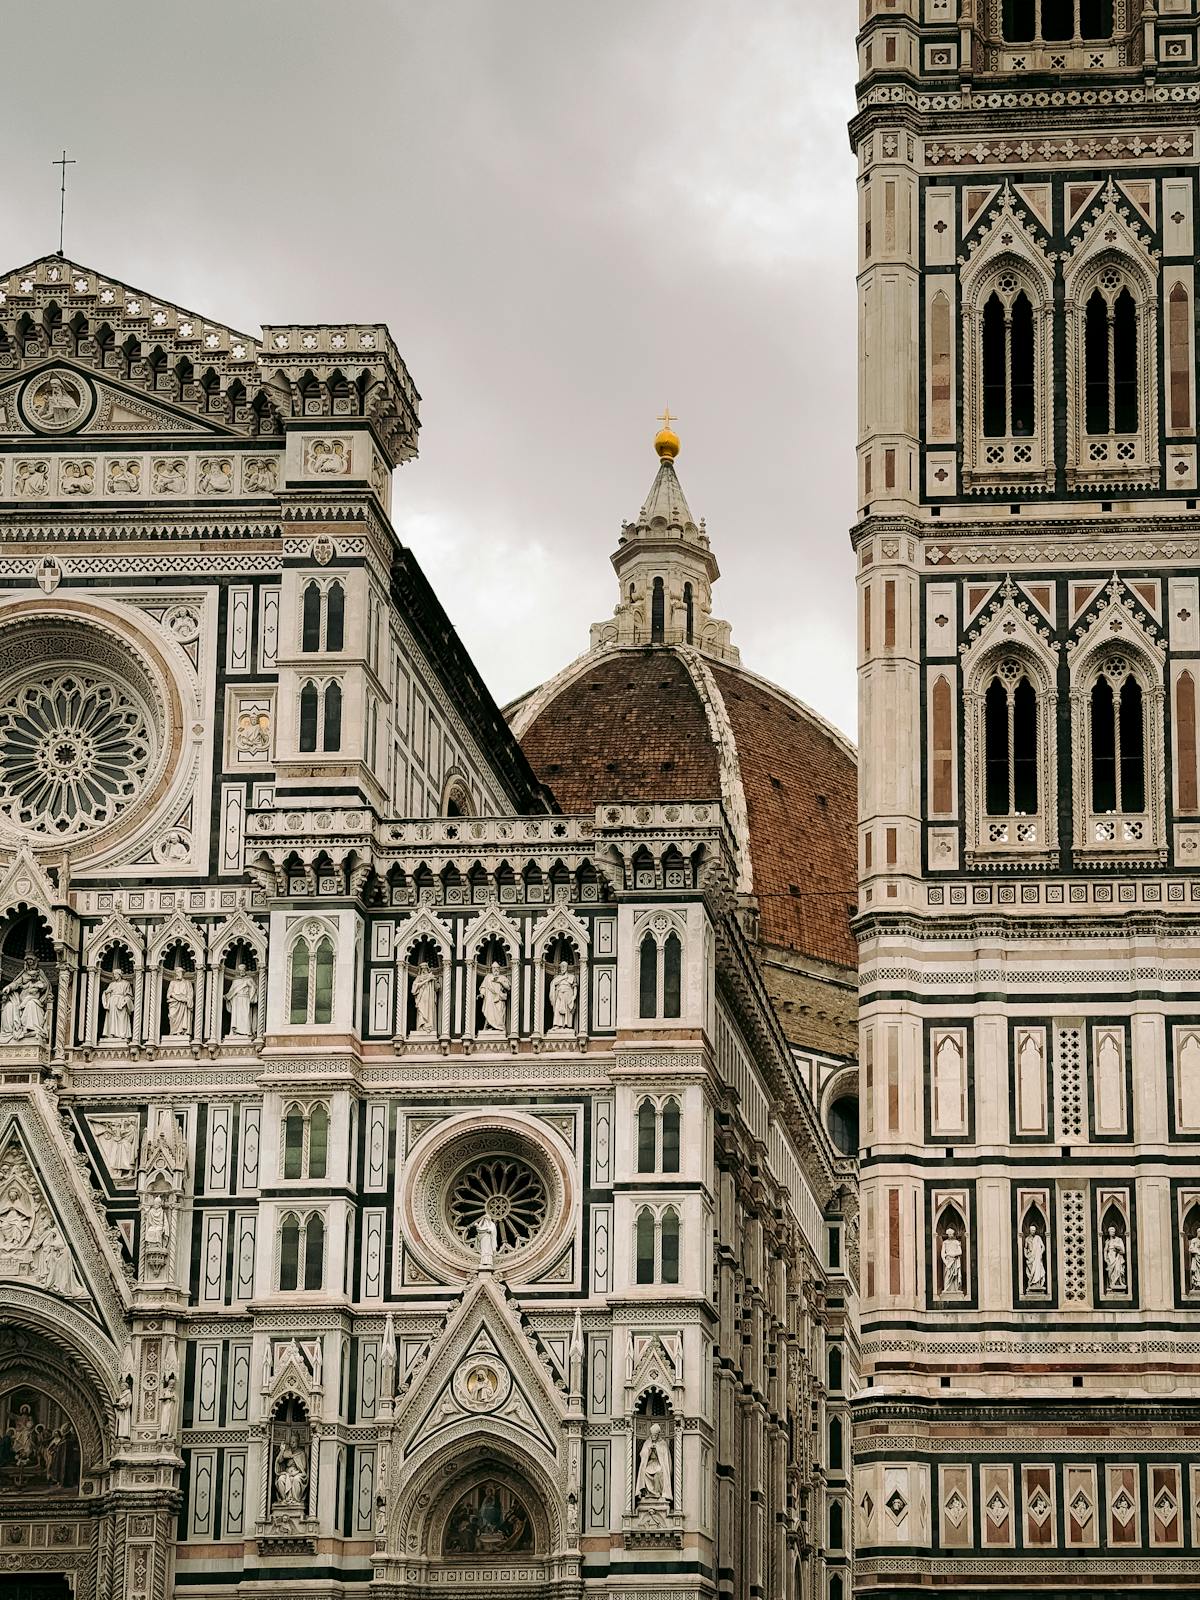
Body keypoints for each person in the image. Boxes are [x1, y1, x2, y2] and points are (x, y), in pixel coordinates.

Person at [635, 1423, 673, 1503]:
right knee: (644, 1472)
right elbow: (642, 1454)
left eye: (655, 1435)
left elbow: (665, 1456)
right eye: (652, 1435)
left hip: (659, 1463)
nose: (653, 1437)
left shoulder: (663, 1443)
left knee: (659, 1472)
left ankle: (657, 1493)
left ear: (658, 1435)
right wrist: (649, 1450)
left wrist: (657, 1449)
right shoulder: (647, 1442)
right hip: (650, 1463)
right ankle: (648, 1493)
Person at [274, 1432, 308, 1508]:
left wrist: (295, 1473)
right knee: (280, 1480)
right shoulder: (287, 1452)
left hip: (297, 1473)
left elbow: (304, 1468)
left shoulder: (301, 1453)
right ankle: (284, 1499)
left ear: (297, 1442)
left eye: (293, 1442)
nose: (291, 1444)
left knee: (296, 1479)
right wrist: (282, 1450)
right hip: (286, 1473)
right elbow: (279, 1461)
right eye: (290, 1442)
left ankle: (295, 1500)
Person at [101, 968, 134, 1043]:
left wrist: (124, 1001)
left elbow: (129, 995)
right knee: (112, 1019)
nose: (114, 976)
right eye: (113, 974)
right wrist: (106, 993)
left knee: (122, 1018)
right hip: (112, 1002)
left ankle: (122, 1034)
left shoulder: (126, 983)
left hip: (121, 1002)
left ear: (119, 975)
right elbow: (106, 993)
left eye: (115, 974)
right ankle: (112, 1033)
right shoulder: (112, 984)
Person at [224, 963, 256, 1040]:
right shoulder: (236, 981)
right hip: (236, 1000)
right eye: (240, 970)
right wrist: (227, 997)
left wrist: (251, 996)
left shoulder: (249, 979)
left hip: (245, 999)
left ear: (245, 970)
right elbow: (232, 992)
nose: (242, 972)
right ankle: (235, 1031)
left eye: (243, 970)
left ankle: (247, 1031)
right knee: (236, 1016)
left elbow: (254, 988)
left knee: (245, 1015)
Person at [410, 959, 439, 1034]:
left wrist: (434, 980)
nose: (424, 971)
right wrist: (426, 980)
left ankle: (428, 1026)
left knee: (429, 1011)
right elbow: (414, 989)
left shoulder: (431, 976)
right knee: (421, 1011)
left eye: (425, 969)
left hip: (429, 997)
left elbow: (437, 988)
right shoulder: (419, 978)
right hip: (421, 997)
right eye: (422, 969)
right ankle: (421, 1027)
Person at [478, 961, 509, 1033]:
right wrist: (481, 994)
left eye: (497, 968)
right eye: (494, 968)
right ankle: (488, 1026)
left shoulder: (502, 977)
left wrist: (500, 981)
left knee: (499, 1013)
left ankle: (499, 1027)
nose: (495, 969)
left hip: (499, 999)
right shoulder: (488, 977)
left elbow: (508, 988)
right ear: (492, 969)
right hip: (490, 998)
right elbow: (484, 987)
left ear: (499, 969)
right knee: (489, 1013)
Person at [548, 959, 578, 1031]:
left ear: (567, 967)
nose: (562, 968)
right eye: (561, 966)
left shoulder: (572, 977)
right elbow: (553, 984)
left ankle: (567, 1025)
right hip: (559, 994)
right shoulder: (557, 978)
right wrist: (563, 978)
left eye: (564, 966)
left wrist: (574, 997)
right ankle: (557, 1025)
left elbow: (575, 988)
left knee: (567, 1010)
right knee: (558, 1008)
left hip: (568, 994)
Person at [165, 965, 193, 1038]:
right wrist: (176, 997)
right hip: (174, 1003)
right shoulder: (172, 983)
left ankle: (181, 1032)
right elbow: (168, 995)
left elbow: (190, 995)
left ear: (182, 973)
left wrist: (186, 999)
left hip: (183, 1004)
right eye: (176, 972)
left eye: (179, 972)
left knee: (183, 1019)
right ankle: (173, 1032)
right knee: (172, 1016)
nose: (177, 974)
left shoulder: (187, 983)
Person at [1023, 1223, 1046, 1294]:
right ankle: (1031, 1284)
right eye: (1032, 1230)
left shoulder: (1038, 1238)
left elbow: (1043, 1247)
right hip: (1030, 1258)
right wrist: (1026, 1255)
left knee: (1038, 1270)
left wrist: (1040, 1254)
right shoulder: (1027, 1239)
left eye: (1034, 1230)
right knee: (1030, 1272)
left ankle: (1037, 1284)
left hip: (1037, 1257)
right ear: (1029, 1231)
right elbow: (1025, 1248)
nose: (1033, 1231)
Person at [940, 1226, 963, 1295]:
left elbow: (960, 1252)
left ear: (953, 1234)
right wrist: (945, 1261)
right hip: (948, 1261)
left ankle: (956, 1289)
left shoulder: (956, 1242)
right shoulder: (945, 1242)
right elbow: (942, 1253)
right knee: (947, 1275)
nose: (950, 1235)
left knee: (955, 1275)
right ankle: (947, 1289)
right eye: (949, 1234)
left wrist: (953, 1254)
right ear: (947, 1235)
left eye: (951, 1234)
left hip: (954, 1260)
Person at [1104, 1225, 1127, 1292]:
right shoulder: (1107, 1241)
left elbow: (1123, 1251)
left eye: (1114, 1232)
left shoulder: (1119, 1240)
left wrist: (1118, 1248)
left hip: (1118, 1257)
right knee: (1110, 1271)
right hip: (1110, 1257)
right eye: (1111, 1232)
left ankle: (1120, 1283)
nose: (1113, 1233)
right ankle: (1111, 1283)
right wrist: (1105, 1258)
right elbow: (1105, 1250)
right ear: (1109, 1233)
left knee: (1118, 1270)